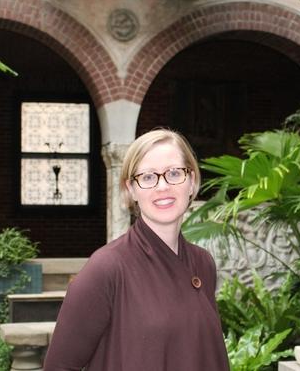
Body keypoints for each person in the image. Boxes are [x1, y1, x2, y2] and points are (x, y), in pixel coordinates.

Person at [43, 128, 230, 371]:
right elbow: (59, 366)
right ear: (131, 189)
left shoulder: (202, 263)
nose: (162, 186)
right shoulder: (107, 268)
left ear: (192, 181)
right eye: (148, 177)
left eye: (174, 173)